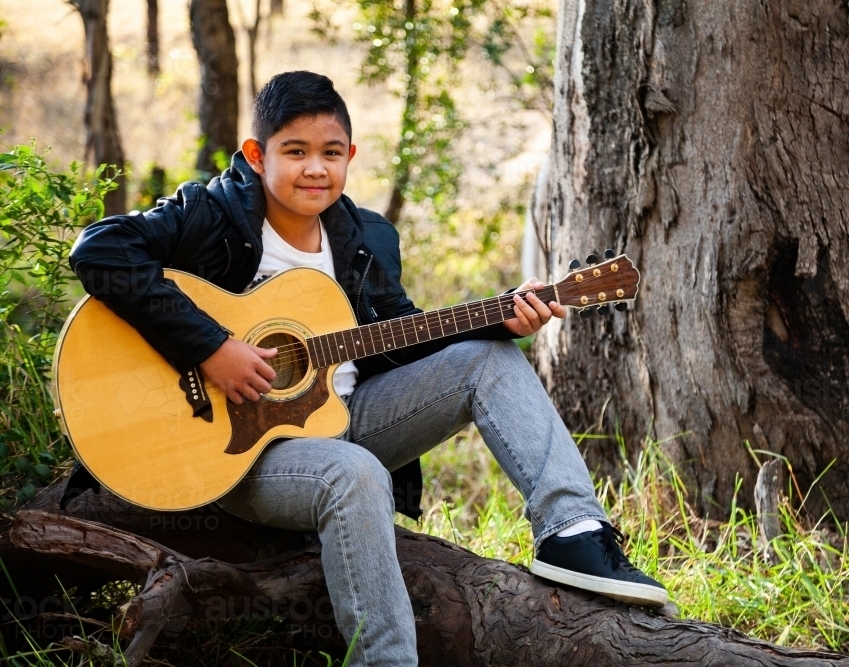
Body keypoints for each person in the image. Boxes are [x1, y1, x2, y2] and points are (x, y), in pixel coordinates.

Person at [69, 71, 667, 666]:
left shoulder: (366, 238)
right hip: (243, 452)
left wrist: (498, 319)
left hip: (349, 419)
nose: (315, 169)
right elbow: (99, 250)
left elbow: (400, 341)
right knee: (352, 473)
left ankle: (573, 531)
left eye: (331, 153)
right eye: (294, 151)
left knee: (488, 360)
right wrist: (212, 347)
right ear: (255, 155)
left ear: (350, 155)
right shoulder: (212, 214)